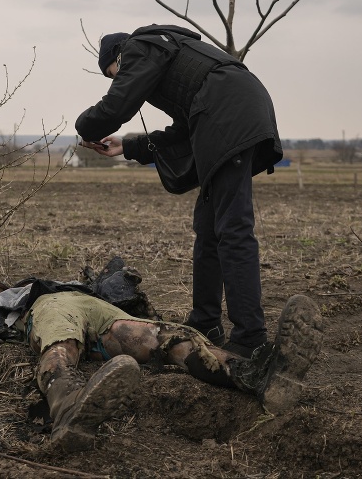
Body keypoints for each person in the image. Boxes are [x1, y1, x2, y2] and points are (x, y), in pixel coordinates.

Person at [75, 25, 283, 357]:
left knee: (233, 229)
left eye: (113, 74)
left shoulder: (140, 46)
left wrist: (85, 127)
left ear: (119, 56)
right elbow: (184, 130)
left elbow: (117, 105)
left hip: (229, 113)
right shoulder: (170, 56)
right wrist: (128, 146)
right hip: (231, 111)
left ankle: (250, 338)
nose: (117, 80)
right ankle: (205, 323)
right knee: (208, 228)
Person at [25, 290, 323, 451]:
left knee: (174, 337)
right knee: (61, 341)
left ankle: (259, 378)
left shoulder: (99, 290)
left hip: (104, 311)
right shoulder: (34, 293)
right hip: (54, 304)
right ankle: (67, 406)